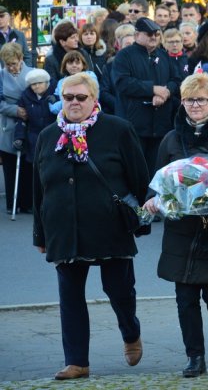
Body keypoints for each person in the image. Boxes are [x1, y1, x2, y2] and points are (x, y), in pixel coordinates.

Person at [33, 72, 149, 380]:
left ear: (94, 100)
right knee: (70, 296)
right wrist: (40, 233)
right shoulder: (47, 136)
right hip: (64, 228)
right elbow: (38, 190)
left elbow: (139, 177)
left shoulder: (118, 130)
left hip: (109, 225)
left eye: (80, 97)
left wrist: (140, 220)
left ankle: (130, 331)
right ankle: (77, 361)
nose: (73, 103)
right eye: (67, 97)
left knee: (119, 290)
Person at [143, 73, 208, 378]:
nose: (194, 105)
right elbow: (158, 180)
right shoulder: (172, 138)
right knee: (185, 298)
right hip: (181, 229)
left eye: (201, 99)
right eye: (189, 99)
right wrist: (153, 199)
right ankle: (195, 356)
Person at [111, 17, 180, 175]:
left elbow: (177, 80)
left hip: (161, 125)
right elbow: (122, 83)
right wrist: (152, 89)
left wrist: (166, 92)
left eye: (156, 34)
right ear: (137, 35)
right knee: (136, 171)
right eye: (149, 34)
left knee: (158, 170)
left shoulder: (163, 56)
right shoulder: (124, 56)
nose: (153, 37)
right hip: (135, 125)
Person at [0, 42, 33, 214]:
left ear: (21, 59)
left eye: (14, 63)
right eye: (7, 64)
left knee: (28, 166)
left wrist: (29, 109)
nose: (11, 67)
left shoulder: (32, 73)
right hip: (8, 125)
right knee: (10, 166)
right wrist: (15, 110)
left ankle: (27, 202)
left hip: (29, 122)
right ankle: (12, 203)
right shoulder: (0, 76)